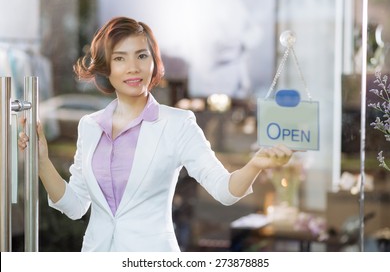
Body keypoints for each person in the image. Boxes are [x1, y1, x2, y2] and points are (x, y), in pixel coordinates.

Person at [18, 16, 293, 252]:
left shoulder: (178, 123)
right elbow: (76, 206)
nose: (133, 67)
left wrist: (255, 164)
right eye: (119, 58)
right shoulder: (90, 126)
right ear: (106, 68)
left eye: (141, 55)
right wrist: (42, 162)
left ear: (153, 61)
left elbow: (224, 190)